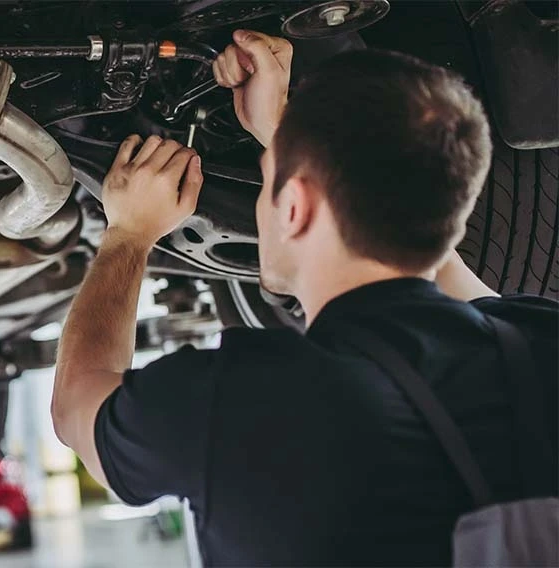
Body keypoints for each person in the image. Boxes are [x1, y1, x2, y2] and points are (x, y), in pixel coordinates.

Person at [51, 29, 558, 565]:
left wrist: (128, 235)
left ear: (294, 206)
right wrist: (286, 136)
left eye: (267, 182)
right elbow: (438, 258)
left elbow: (75, 406)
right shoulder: (538, 343)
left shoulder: (236, 403)